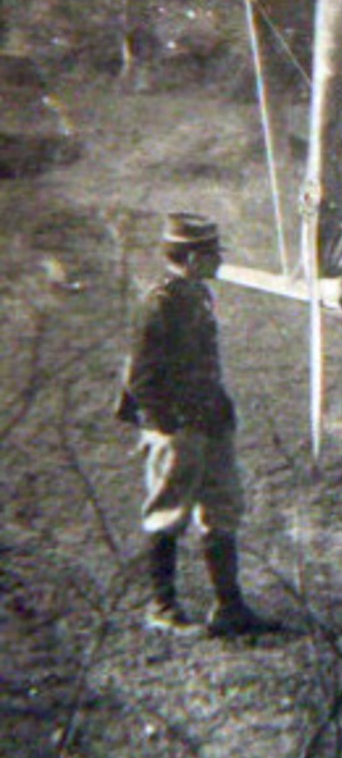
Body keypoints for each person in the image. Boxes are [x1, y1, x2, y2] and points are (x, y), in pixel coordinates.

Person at [115, 213, 269, 637]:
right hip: (179, 428)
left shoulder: (196, 294)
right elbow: (141, 379)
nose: (218, 261)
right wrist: (172, 425)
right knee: (167, 512)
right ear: (193, 257)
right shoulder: (159, 303)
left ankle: (229, 607)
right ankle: (162, 607)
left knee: (222, 508)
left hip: (210, 422)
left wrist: (217, 413)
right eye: (212, 254)